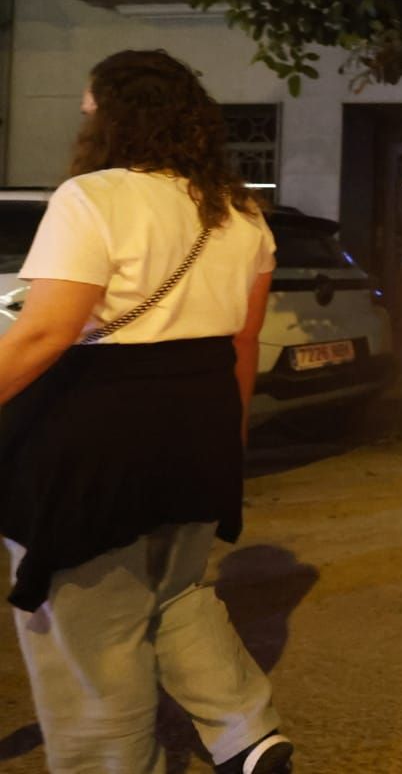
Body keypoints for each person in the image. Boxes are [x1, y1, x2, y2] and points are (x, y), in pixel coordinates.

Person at [0, 50, 293, 773]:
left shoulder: (91, 197)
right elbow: (244, 339)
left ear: (116, 118)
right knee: (176, 589)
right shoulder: (239, 209)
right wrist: (231, 431)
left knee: (89, 633)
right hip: (198, 420)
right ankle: (246, 731)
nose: (82, 120)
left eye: (89, 107)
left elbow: (44, 332)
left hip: (97, 431)